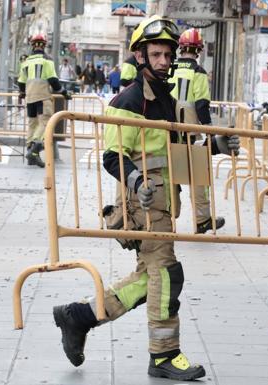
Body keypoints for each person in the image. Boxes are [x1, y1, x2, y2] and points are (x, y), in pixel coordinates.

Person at [51, 15, 239, 381]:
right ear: (140, 56)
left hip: (164, 204)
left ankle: (78, 317)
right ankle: (164, 354)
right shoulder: (130, 99)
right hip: (143, 206)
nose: (164, 62)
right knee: (167, 274)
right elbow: (111, 156)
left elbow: (181, 147)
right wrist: (136, 181)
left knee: (149, 277)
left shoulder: (168, 99)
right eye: (156, 54)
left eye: (168, 55)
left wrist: (216, 145)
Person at [169, 28, 226, 234]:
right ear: (199, 50)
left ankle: (168, 215)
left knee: (169, 171)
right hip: (189, 130)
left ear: (180, 48)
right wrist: (209, 129)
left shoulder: (170, 67)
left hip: (167, 128)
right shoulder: (198, 72)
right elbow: (201, 104)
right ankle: (202, 218)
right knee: (198, 173)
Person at [17, 34, 69, 168]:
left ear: (32, 46)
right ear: (44, 45)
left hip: (29, 97)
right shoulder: (47, 60)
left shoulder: (26, 62)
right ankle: (34, 150)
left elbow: (21, 82)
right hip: (42, 96)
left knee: (32, 124)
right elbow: (53, 79)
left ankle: (31, 154)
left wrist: (22, 93)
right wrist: (64, 92)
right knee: (45, 123)